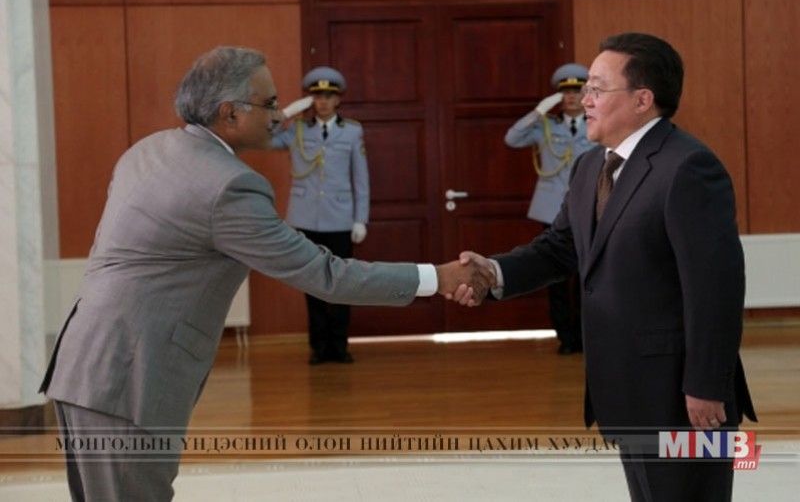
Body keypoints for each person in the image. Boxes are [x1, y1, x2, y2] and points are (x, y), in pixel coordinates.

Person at [39, 46, 493, 502]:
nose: (280, 114)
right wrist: (438, 277)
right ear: (229, 113)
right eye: (270, 103)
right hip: (130, 379)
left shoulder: (149, 149)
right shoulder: (228, 186)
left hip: (88, 363)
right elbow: (325, 275)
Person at [452, 32, 756, 502]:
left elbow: (716, 289)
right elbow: (560, 249)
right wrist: (492, 272)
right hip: (627, 388)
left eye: (597, 88)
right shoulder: (591, 167)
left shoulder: (688, 167)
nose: (585, 99)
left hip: (683, 397)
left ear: (642, 100)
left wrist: (706, 385)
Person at [271, 66, 367, 365]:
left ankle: (339, 344)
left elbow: (361, 179)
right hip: (304, 219)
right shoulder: (297, 130)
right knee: (311, 283)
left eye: (328, 96)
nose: (323, 102)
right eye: (317, 97)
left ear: (338, 100)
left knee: (342, 282)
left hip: (340, 219)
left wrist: (360, 219)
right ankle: (319, 346)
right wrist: (286, 113)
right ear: (311, 100)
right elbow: (264, 138)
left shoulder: (352, 131)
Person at [504, 63, 595, 354]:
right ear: (557, 96)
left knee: (587, 274)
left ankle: (585, 335)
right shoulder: (546, 126)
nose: (571, 97)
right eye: (565, 92)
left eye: (577, 91)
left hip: (589, 207)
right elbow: (512, 138)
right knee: (557, 275)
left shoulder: (596, 123)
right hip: (552, 210)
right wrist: (539, 111)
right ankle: (564, 337)